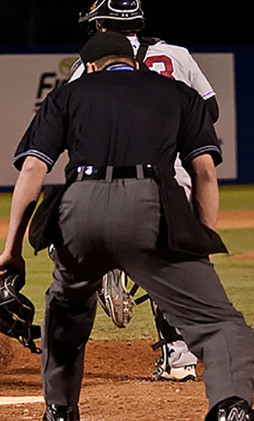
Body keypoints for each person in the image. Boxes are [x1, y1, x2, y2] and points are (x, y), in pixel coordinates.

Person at [0, 31, 254, 421]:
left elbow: (32, 169)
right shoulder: (178, 94)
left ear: (89, 67)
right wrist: (200, 246)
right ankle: (229, 407)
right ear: (136, 61)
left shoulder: (66, 95)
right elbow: (205, 175)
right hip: (150, 207)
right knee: (219, 323)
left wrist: (12, 250)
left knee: (66, 308)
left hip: (79, 210)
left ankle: (59, 410)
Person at [74, 0, 221, 382]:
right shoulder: (177, 54)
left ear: (105, 26)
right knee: (176, 263)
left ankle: (112, 265)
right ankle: (180, 358)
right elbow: (211, 110)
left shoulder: (92, 64)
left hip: (118, 174)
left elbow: (76, 113)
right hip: (178, 173)